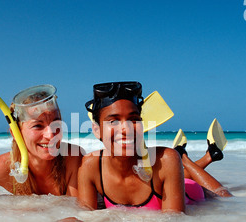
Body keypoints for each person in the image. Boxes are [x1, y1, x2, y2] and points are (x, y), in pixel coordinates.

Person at [77, 81, 186, 213]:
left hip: (192, 194)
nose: (126, 129)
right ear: (96, 130)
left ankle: (183, 156)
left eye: (134, 119)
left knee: (213, 193)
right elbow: (85, 219)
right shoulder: (90, 166)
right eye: (113, 121)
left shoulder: (165, 160)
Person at [0, 84, 84, 199]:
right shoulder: (5, 167)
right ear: (16, 133)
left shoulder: (73, 158)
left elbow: (76, 214)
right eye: (38, 126)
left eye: (55, 124)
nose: (50, 134)